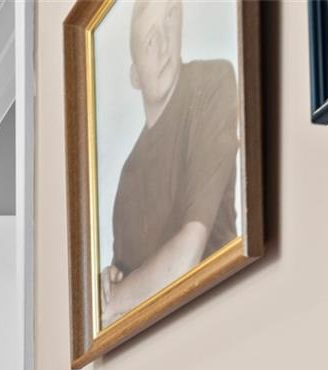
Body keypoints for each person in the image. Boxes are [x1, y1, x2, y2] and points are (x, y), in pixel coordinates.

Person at [102, 0, 239, 325]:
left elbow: (188, 254)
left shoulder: (212, 82)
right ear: (134, 75)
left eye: (170, 19)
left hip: (223, 321)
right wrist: (112, 282)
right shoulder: (129, 174)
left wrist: (112, 302)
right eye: (149, 39)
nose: (163, 45)